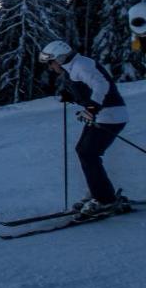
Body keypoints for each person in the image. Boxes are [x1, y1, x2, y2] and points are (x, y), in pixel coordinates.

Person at [39, 41, 129, 217]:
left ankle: (105, 199)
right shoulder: (75, 67)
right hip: (105, 115)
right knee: (84, 151)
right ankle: (100, 192)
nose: (50, 67)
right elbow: (89, 89)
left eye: (51, 63)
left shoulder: (81, 65)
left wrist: (92, 109)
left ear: (59, 58)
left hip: (110, 115)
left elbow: (102, 86)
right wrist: (72, 96)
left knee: (88, 153)